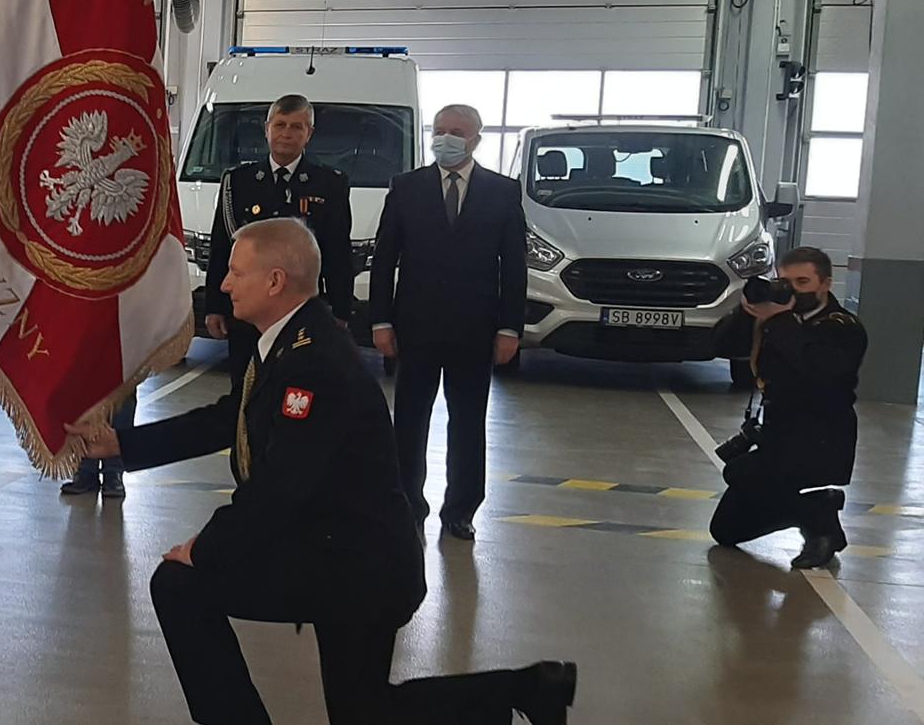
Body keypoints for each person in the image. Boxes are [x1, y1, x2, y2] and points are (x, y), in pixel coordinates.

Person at [67, 218, 576, 725]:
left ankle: (521, 690)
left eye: (235, 273)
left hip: (359, 569)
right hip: (336, 550)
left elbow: (280, 488)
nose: (221, 284)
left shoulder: (312, 364)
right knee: (366, 711)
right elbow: (232, 417)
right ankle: (528, 689)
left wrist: (204, 547)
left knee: (181, 583)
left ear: (274, 282)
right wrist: (119, 444)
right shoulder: (290, 339)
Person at [369, 104, 526, 541]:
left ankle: (460, 510)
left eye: (456, 132)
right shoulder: (406, 187)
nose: (446, 138)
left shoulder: (502, 191)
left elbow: (514, 266)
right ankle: (407, 504)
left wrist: (510, 328)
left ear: (476, 139)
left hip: (476, 331)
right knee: (410, 422)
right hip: (414, 328)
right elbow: (384, 261)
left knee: (469, 423)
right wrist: (380, 320)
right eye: (439, 130)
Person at [709, 247, 867, 569]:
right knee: (725, 530)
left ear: (825, 284)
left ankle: (818, 519)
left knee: (739, 471)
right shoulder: (776, 319)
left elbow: (816, 367)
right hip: (778, 434)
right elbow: (720, 346)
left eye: (803, 281)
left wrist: (779, 320)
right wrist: (747, 313)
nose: (792, 289)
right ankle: (815, 507)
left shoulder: (843, 327)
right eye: (784, 281)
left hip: (822, 438)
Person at [203, 94, 354, 373]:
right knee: (244, 389)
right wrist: (215, 306)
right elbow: (222, 247)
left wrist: (340, 309)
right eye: (280, 125)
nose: (287, 134)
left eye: (297, 127)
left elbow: (338, 253)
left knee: (296, 389)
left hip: (303, 310)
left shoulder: (330, 183)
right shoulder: (237, 181)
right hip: (249, 308)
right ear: (267, 128)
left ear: (309, 134)